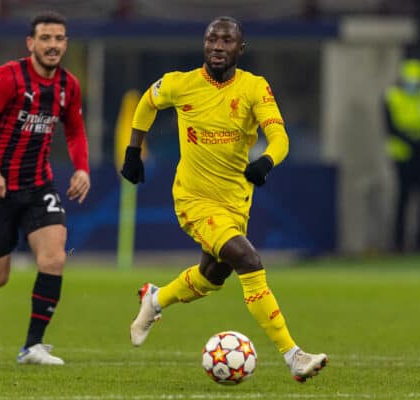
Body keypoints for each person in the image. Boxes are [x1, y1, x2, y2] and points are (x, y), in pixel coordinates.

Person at [120, 16, 328, 383]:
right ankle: (293, 355)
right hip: (194, 199)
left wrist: (266, 160)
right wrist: (133, 151)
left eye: (226, 41)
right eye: (212, 39)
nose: (218, 46)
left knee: (212, 277)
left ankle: (155, 299)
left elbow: (279, 137)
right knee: (249, 259)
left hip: (235, 200)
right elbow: (147, 104)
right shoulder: (180, 84)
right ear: (204, 45)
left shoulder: (253, 88)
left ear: (240, 48)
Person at [0, 11, 90, 365]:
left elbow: (74, 129)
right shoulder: (7, 77)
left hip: (38, 185)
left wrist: (82, 169)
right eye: (46, 38)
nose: (53, 45)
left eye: (59, 39)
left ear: (66, 44)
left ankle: (32, 347)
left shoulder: (68, 86)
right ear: (31, 44)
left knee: (54, 257)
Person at [384, 59, 420, 252]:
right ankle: (399, 243)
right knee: (403, 199)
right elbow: (390, 127)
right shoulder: (393, 96)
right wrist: (414, 142)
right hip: (404, 157)